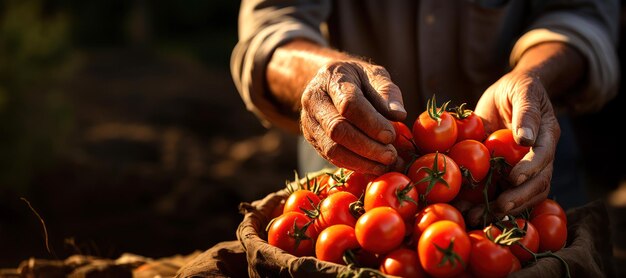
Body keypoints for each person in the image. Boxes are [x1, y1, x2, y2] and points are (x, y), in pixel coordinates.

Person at [230, 0, 619, 226]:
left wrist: (534, 76)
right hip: (350, 185)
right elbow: (271, 27)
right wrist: (323, 76)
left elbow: (583, 14)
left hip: (523, 175)